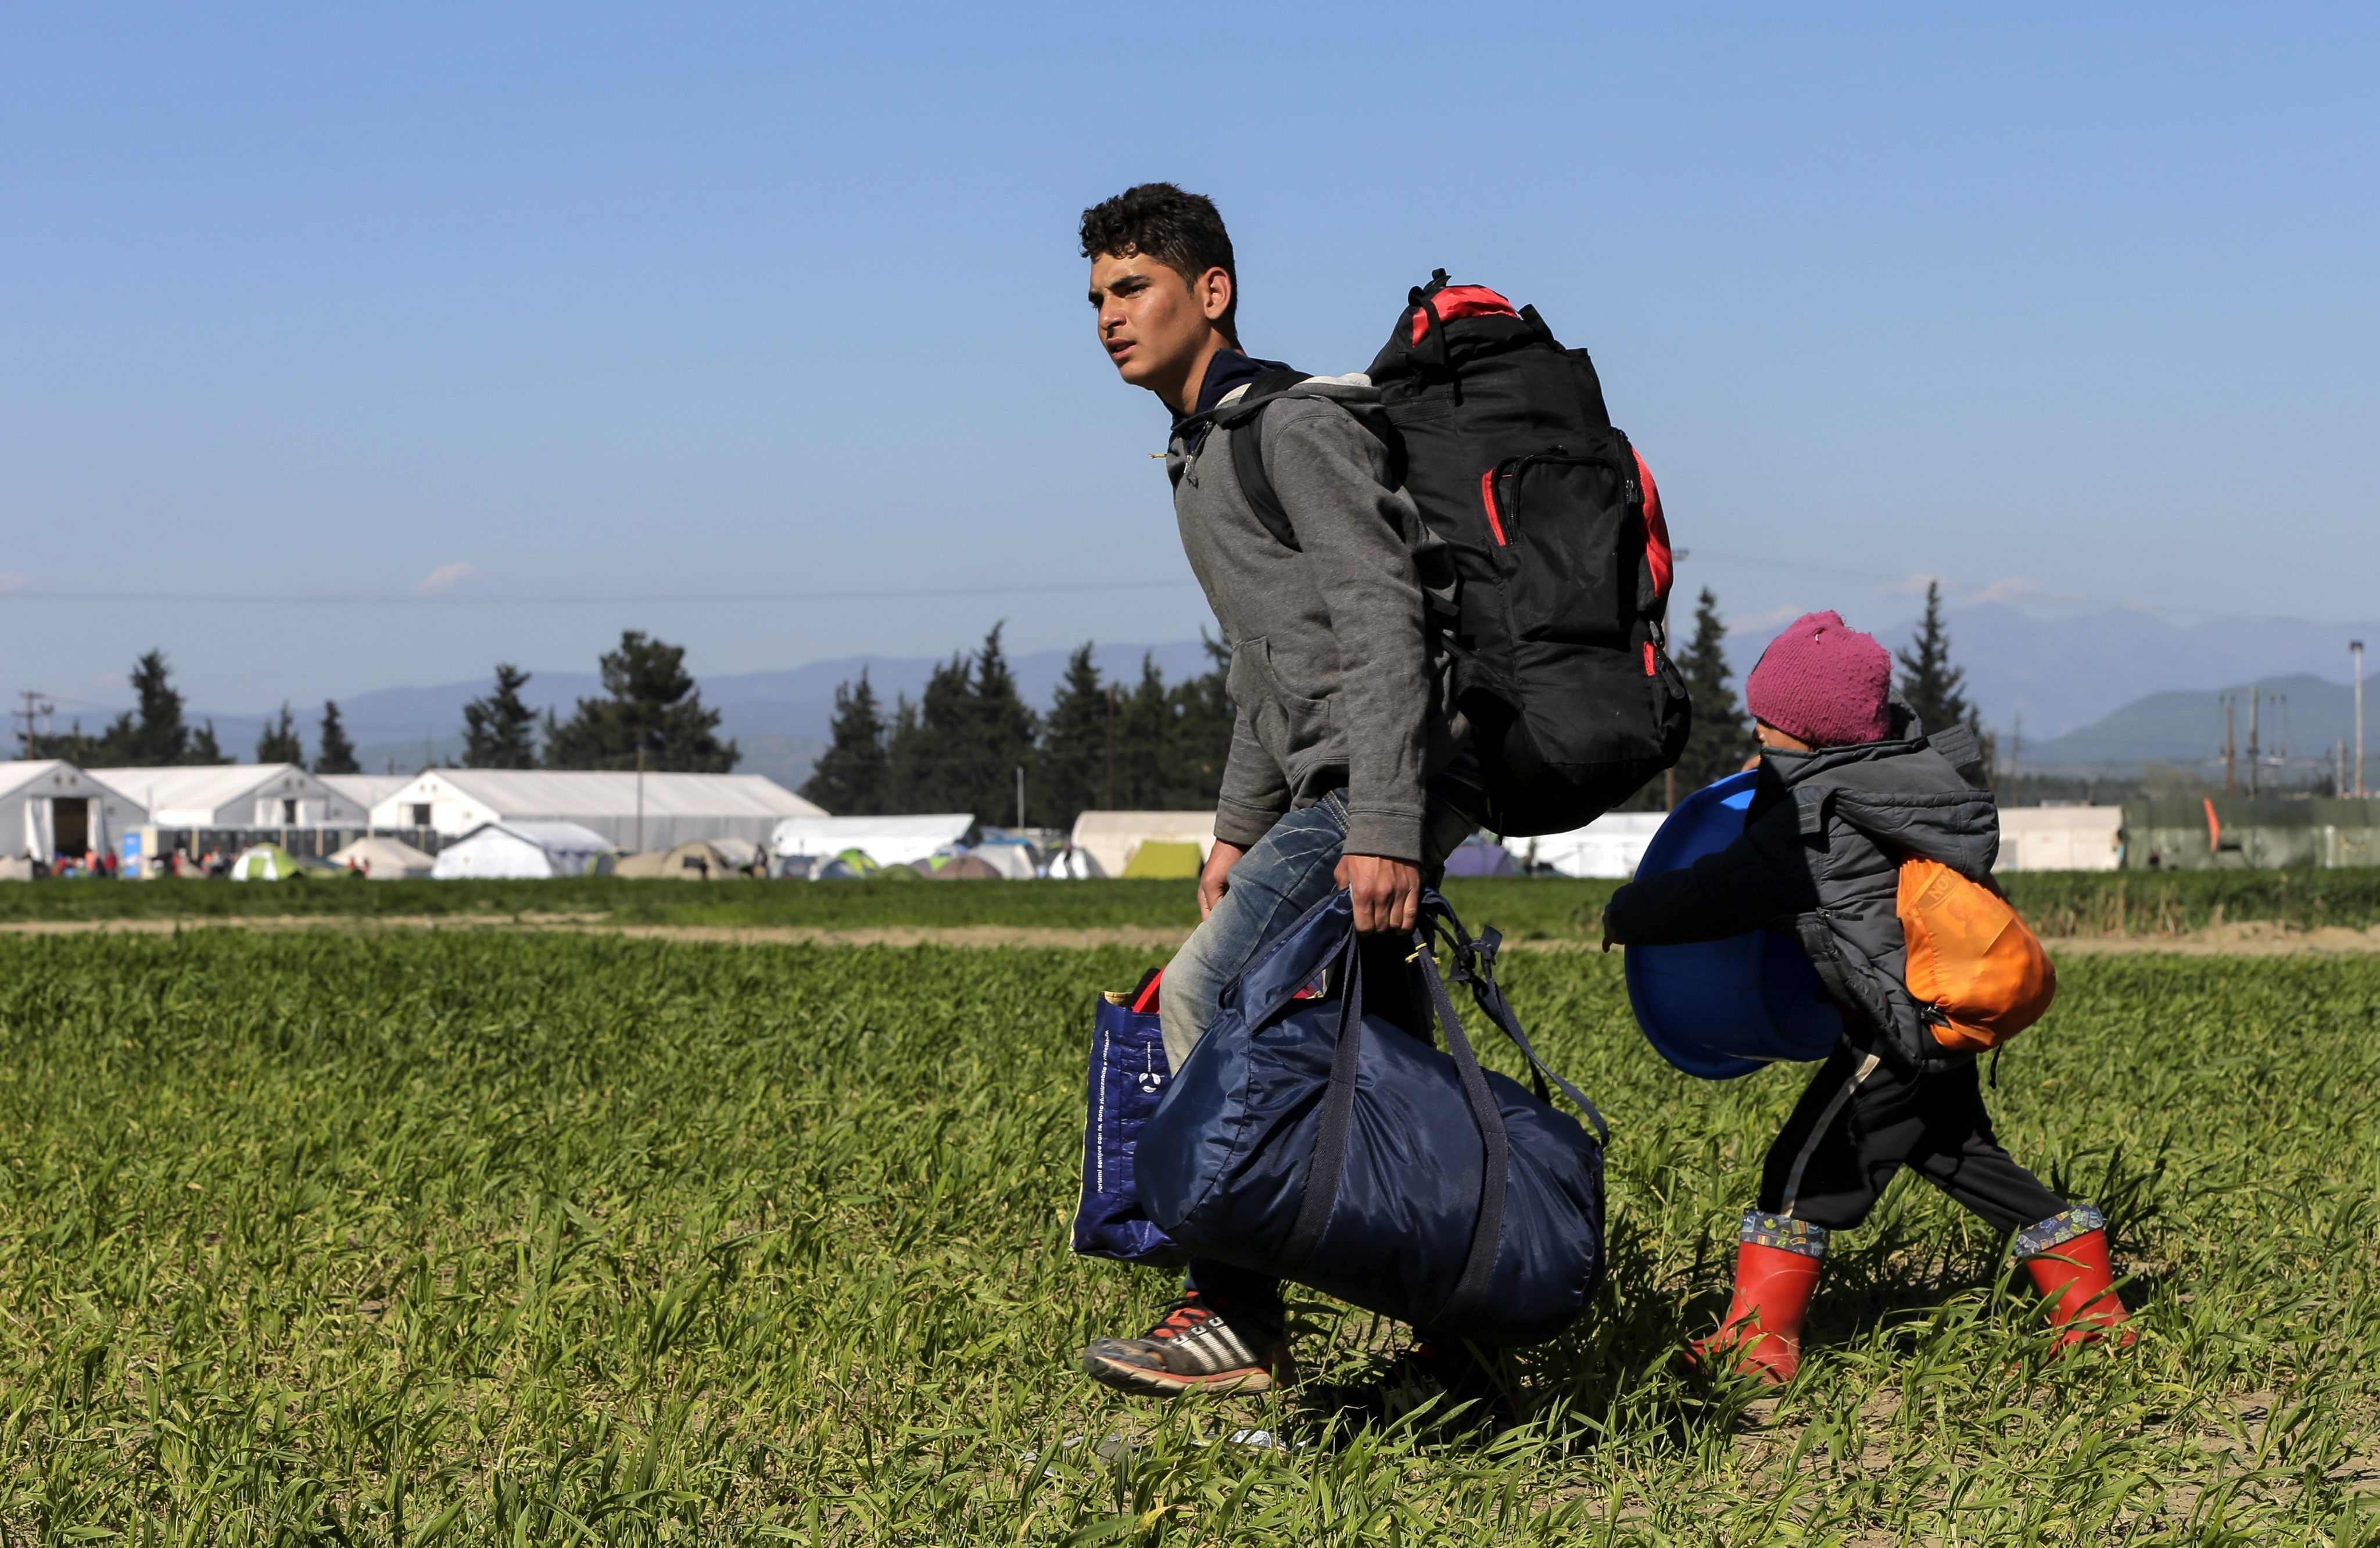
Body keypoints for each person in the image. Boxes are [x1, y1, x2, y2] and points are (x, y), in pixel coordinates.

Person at [1077, 183, 1483, 1398]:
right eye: (1096, 297)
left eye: (1132, 288)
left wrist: (1383, 826)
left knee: (1202, 996)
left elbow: (1381, 626)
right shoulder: (1197, 449)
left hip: (1383, 778)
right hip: (1328, 786)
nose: (1108, 316)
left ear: (1212, 293)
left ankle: (1236, 1319)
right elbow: (1269, 660)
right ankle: (1464, 1348)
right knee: (1387, 1067)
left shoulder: (1290, 429)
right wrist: (1234, 830)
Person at [1602, 611, 2132, 1384]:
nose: (1757, 738)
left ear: (1812, 735)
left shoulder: (1811, 819)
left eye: (1767, 726)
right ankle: (2096, 1318)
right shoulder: (1897, 786)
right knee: (1962, 1160)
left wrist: (1630, 913)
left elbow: (1721, 893)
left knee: (1799, 1173)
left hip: (1891, 1030)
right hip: (1935, 1015)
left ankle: (1760, 1347)